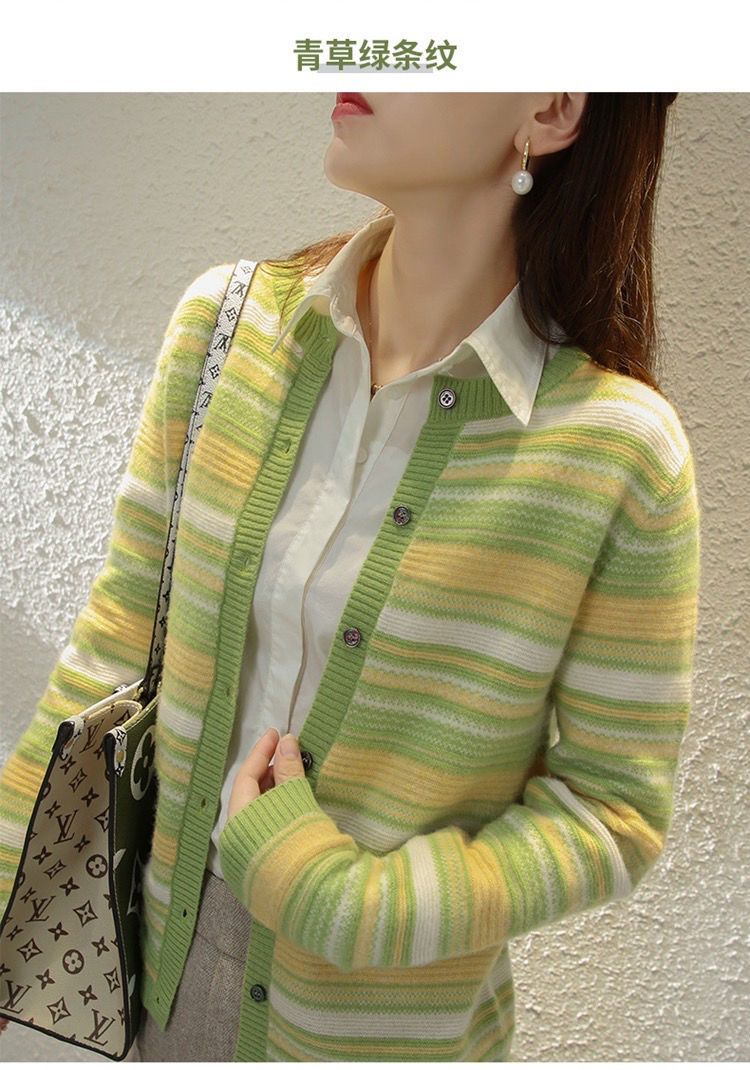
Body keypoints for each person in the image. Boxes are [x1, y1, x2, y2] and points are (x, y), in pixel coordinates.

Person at [0, 92, 698, 1062]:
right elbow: (114, 646)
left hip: (381, 1035)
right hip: (151, 990)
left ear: (551, 107)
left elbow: (612, 811)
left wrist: (352, 904)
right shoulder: (226, 334)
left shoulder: (618, 455)